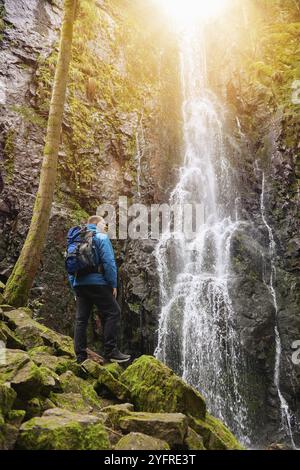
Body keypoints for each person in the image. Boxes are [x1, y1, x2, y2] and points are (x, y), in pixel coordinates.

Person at [69, 215, 130, 364]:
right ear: (97, 224)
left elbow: (70, 266)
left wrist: (74, 287)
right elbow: (109, 262)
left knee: (81, 319)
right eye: (104, 224)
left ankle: (80, 355)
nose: (106, 227)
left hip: (80, 284)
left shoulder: (76, 239)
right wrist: (112, 284)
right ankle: (111, 351)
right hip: (97, 282)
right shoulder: (101, 237)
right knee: (113, 311)